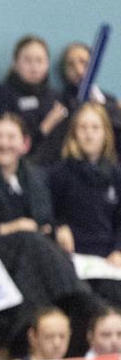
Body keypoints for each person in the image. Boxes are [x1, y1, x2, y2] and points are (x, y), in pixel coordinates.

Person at [0, 114, 95, 351]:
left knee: (38, 249)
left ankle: (31, 336)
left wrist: (58, 228)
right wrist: (6, 228)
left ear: (25, 144)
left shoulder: (36, 177)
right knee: (30, 240)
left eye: (11, 137)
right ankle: (80, 298)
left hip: (30, 256)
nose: (4, 143)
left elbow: (46, 218)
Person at [49, 102, 121, 308]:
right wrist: (59, 227)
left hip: (109, 259)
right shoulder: (59, 173)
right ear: (74, 133)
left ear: (106, 133)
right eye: (83, 128)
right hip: (74, 259)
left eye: (95, 128)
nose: (89, 134)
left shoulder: (116, 174)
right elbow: (46, 213)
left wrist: (118, 250)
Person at [0, 36, 61, 161]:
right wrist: (44, 128)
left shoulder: (56, 98)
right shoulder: (1, 94)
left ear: (47, 64)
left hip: (52, 165)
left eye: (40, 60)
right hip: (14, 162)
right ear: (15, 63)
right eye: (27, 60)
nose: (34, 67)